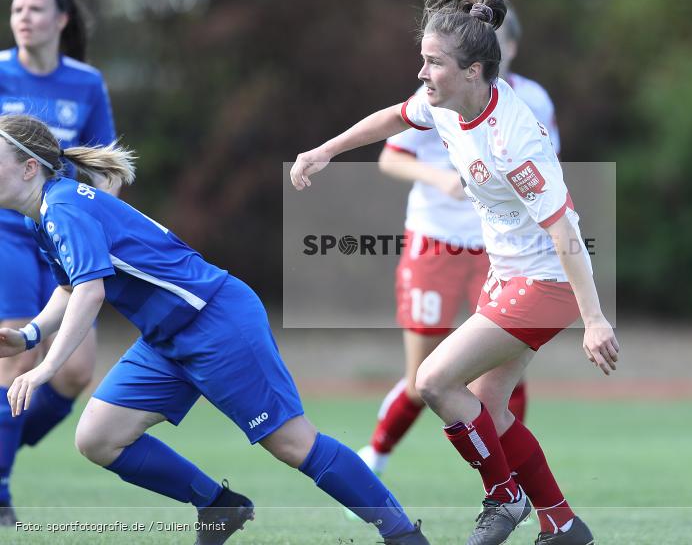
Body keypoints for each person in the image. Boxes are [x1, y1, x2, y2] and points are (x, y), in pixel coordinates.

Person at [291, 0, 617, 545]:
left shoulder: (514, 138)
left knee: (435, 379)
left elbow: (565, 230)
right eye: (422, 59)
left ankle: (504, 497)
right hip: (509, 274)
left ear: (473, 71)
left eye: (433, 63)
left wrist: (593, 318)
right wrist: (325, 150)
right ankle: (562, 524)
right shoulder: (445, 105)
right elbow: (393, 118)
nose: (422, 73)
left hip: (546, 282)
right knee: (490, 403)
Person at [0, 114, 430, 545]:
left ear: (29, 167)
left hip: (215, 321)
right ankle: (218, 506)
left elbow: (90, 294)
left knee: (294, 445)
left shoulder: (62, 207)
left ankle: (403, 535)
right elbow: (68, 288)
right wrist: (29, 337)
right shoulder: (42, 214)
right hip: (166, 338)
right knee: (98, 437)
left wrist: (42, 369)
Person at [358, 5, 561, 477]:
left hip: (502, 254)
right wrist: (439, 178)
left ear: (506, 49)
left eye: (500, 42)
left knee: (505, 375)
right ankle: (376, 456)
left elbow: (548, 176)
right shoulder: (440, 90)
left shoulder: (530, 102)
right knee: (423, 377)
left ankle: (508, 478)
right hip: (436, 241)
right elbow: (390, 157)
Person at [0, 0, 118, 524]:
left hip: (61, 234)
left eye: (36, 9)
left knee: (74, 372)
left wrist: (103, 215)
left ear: (61, 20)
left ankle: (3, 439)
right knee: (18, 356)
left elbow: (105, 163)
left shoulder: (86, 82)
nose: (23, 17)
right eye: (17, 9)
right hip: (6, 236)